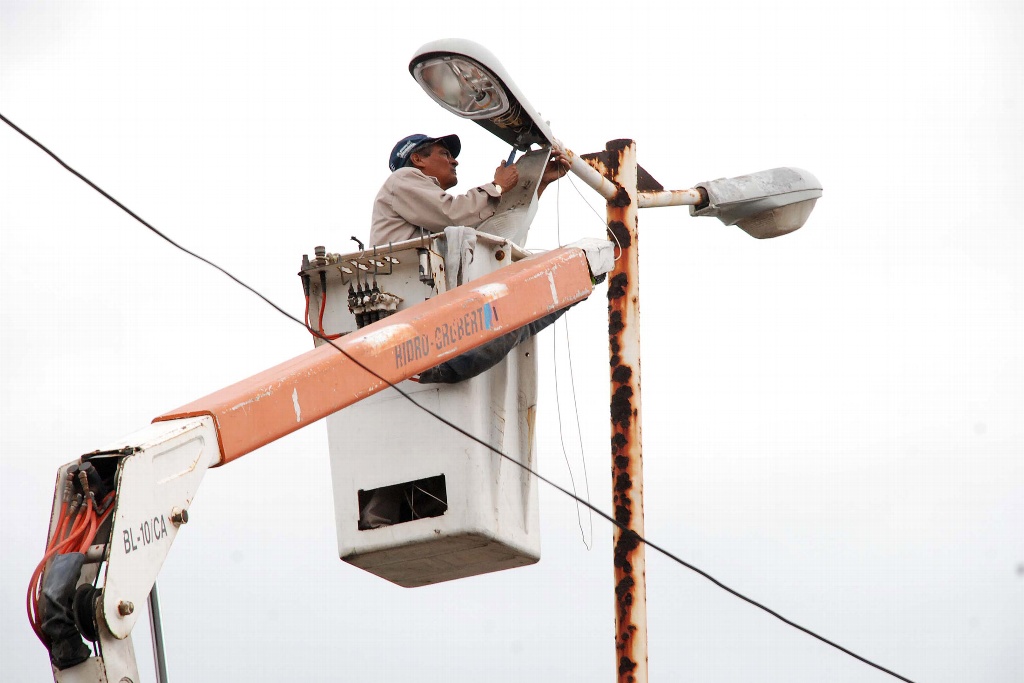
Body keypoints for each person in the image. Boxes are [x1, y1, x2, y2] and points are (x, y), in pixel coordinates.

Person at [369, 133, 568, 246]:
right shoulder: (402, 179)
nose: (454, 161)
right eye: (445, 154)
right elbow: (453, 214)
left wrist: (536, 181)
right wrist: (497, 187)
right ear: (418, 159)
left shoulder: (425, 210)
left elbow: (500, 232)